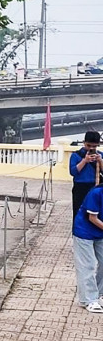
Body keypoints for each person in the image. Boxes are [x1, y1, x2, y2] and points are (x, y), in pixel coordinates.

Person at [72, 183, 103, 311]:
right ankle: (89, 299)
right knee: (87, 265)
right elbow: (92, 218)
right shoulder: (96, 193)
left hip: (100, 233)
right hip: (84, 232)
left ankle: (98, 294)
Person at [70, 131, 102, 216]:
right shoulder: (76, 155)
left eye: (94, 146)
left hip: (95, 185)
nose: (91, 148)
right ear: (84, 142)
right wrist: (84, 161)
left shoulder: (100, 155)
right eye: (88, 145)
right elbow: (73, 172)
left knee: (94, 212)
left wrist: (100, 161)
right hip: (80, 187)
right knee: (78, 211)